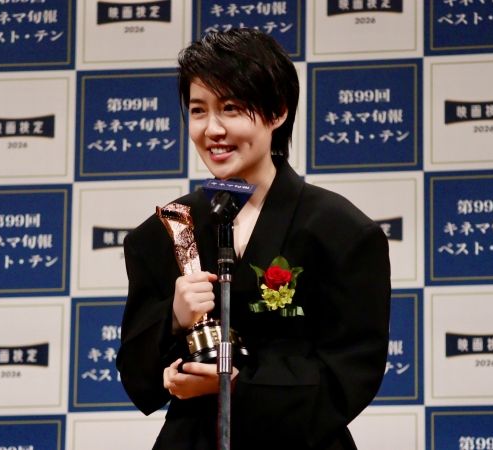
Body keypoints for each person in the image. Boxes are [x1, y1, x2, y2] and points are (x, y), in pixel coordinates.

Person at [117, 28, 391, 450]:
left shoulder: (342, 233)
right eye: (198, 110)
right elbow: (138, 380)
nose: (212, 129)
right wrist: (172, 319)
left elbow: (349, 378)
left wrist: (235, 385)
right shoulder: (167, 229)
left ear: (278, 111)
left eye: (231, 108)